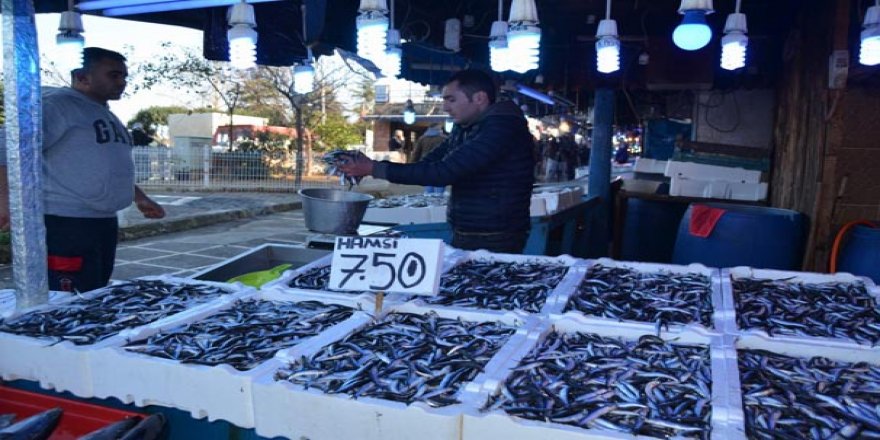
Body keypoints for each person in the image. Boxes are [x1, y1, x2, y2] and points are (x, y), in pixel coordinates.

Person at [0, 47, 166, 293]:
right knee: (66, 299)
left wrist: (140, 198)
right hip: (66, 224)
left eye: (124, 76)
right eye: (114, 75)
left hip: (102, 222)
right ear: (82, 77)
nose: (122, 82)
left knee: (95, 293)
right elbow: (8, 149)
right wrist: (4, 200)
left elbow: (105, 164)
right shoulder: (56, 106)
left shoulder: (104, 113)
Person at [339, 69, 535, 253]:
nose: (445, 107)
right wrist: (370, 166)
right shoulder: (465, 128)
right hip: (469, 229)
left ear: (479, 98)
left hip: (497, 234)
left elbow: (444, 172)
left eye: (451, 99)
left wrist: (373, 168)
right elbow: (428, 164)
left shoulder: (501, 128)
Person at [410, 124, 447, 194]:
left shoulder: (422, 138)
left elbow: (416, 153)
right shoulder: (444, 138)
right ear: (438, 128)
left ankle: (429, 197)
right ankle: (439, 198)